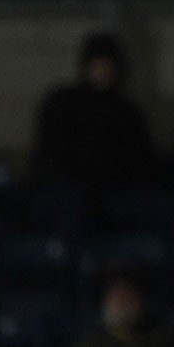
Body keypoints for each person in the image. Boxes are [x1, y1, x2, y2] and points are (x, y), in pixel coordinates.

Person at [32, 32, 155, 214]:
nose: (103, 71)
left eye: (109, 65)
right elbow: (51, 154)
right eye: (98, 64)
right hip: (69, 191)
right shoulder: (62, 103)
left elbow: (141, 161)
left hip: (115, 193)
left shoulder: (128, 112)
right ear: (86, 66)